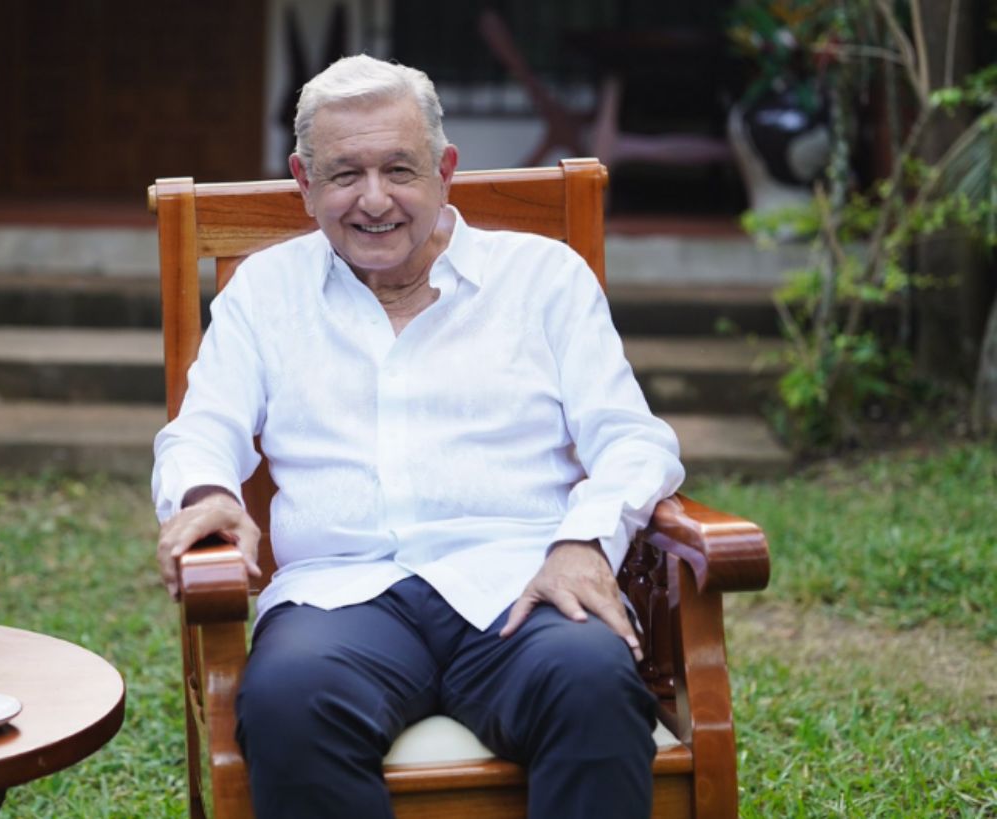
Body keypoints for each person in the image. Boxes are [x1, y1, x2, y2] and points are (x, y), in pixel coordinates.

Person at [152, 54, 683, 819]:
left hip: (521, 585)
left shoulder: (543, 278)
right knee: (288, 698)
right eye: (344, 174)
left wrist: (584, 543)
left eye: (399, 169)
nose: (374, 200)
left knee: (592, 680)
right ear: (304, 182)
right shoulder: (265, 292)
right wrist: (207, 493)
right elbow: (202, 428)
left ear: (445, 170)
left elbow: (633, 441)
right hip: (339, 601)